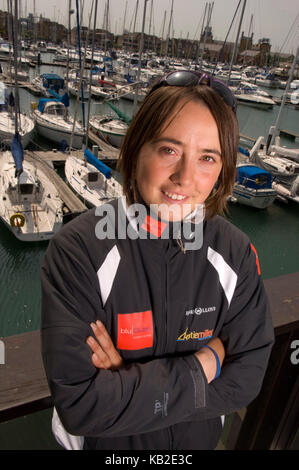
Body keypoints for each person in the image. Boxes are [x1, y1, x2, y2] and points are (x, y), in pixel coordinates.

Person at [40, 70, 274, 451]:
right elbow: (81, 405)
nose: (185, 177)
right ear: (136, 149)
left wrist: (126, 380)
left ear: (222, 170)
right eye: (169, 150)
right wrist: (206, 364)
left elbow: (246, 379)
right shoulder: (78, 250)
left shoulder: (236, 254)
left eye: (207, 158)